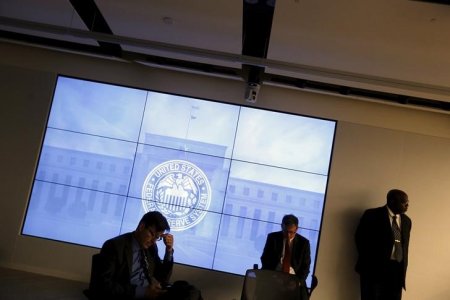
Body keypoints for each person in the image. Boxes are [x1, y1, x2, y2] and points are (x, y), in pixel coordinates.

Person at [88, 211, 202, 300]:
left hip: (154, 292)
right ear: (142, 226)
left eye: (157, 237)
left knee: (192, 291)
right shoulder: (114, 246)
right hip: (132, 295)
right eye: (152, 234)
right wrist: (143, 292)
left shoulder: (151, 248)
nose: (153, 241)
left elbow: (163, 278)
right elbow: (104, 286)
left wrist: (169, 251)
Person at [355, 189, 411, 300]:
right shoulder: (372, 215)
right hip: (373, 270)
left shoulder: (407, 221)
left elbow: (404, 246)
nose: (407, 205)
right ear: (392, 201)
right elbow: (360, 239)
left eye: (407, 202)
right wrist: (370, 262)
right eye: (404, 202)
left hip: (397, 271)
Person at [260, 214, 311, 299]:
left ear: (296, 229)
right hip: (274, 275)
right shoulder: (273, 237)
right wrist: (272, 276)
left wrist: (297, 282)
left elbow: (306, 267)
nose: (288, 235)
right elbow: (265, 258)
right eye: (285, 231)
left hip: (294, 278)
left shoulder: (304, 243)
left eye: (291, 232)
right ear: (281, 226)